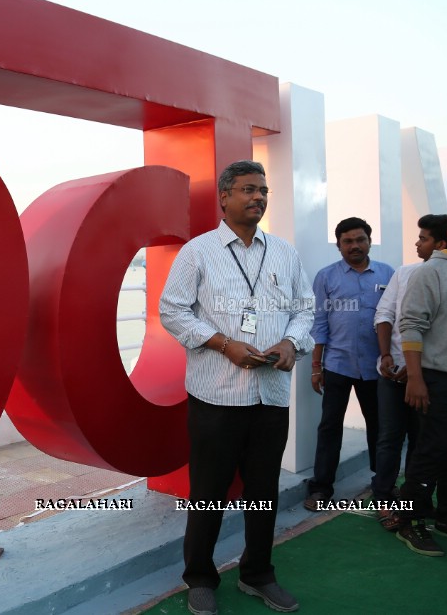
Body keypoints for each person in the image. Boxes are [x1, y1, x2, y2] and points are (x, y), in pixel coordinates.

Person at [160, 160, 314, 615]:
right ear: (224, 197)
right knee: (208, 490)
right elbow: (172, 311)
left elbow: (305, 309)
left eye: (264, 191)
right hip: (216, 398)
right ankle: (201, 578)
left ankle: (258, 574)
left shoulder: (284, 252)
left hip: (270, 394)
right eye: (248, 189)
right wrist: (224, 344)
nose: (259, 198)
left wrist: (292, 342)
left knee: (264, 489)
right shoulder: (198, 252)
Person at [395, 202, 447, 556]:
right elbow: (411, 325)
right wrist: (415, 378)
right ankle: (411, 522)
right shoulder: (431, 273)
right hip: (437, 380)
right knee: (430, 453)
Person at [305, 217, 394, 511]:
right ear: (339, 245)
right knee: (330, 426)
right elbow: (319, 322)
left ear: (369, 240)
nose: (354, 246)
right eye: (348, 241)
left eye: (360, 239)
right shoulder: (327, 277)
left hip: (376, 367)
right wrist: (316, 365)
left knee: (379, 427)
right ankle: (321, 487)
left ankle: (382, 484)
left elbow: (394, 319)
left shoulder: (387, 274)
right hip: (337, 365)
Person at [370, 214, 447, 530]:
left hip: (428, 376)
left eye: (424, 238)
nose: (417, 243)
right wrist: (386, 356)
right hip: (391, 375)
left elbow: (443, 334)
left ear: (442, 243)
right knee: (389, 438)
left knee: (423, 442)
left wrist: (416, 369)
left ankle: (415, 502)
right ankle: (383, 499)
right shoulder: (405, 273)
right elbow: (384, 313)